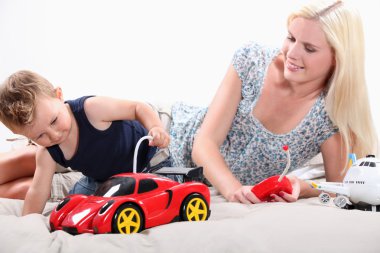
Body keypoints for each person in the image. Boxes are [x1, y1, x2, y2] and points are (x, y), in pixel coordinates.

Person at [169, 0, 378, 203]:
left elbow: (340, 189)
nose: (292, 53)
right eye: (291, 38)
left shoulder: (330, 116)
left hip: (187, 188)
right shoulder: (252, 60)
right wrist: (234, 191)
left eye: (309, 48)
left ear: (337, 58)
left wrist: (301, 186)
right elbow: (204, 143)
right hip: (165, 143)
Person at [0, 70, 170, 215]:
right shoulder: (46, 153)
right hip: (103, 179)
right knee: (70, 208)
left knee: (161, 198)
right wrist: (28, 222)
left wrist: (155, 127)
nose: (53, 135)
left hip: (148, 160)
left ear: (59, 96)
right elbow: (38, 191)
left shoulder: (91, 109)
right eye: (40, 136)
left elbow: (137, 108)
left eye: (53, 121)